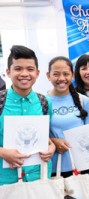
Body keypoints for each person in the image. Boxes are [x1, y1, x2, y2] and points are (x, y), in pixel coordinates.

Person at [46, 56, 89, 188]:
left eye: (66, 74)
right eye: (56, 74)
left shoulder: (83, 101)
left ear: (73, 75)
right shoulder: (42, 102)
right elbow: (40, 136)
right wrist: (54, 141)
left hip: (82, 166)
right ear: (48, 76)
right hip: (54, 167)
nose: (61, 78)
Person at [0, 45, 55, 185]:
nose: (24, 74)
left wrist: (52, 147)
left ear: (37, 73)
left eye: (30, 69)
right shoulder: (1, 100)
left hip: (39, 177)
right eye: (18, 69)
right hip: (5, 181)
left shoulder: (44, 101)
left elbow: (45, 136)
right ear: (8, 72)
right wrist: (2, 152)